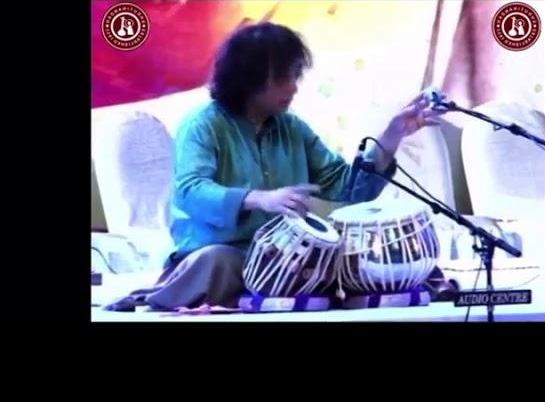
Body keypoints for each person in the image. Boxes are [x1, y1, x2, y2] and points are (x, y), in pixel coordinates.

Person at [105, 22, 441, 312]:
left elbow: (348, 188)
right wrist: (261, 199)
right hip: (223, 256)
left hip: (283, 259)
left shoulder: (292, 127)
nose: (294, 87)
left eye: (296, 75)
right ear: (248, 79)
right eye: (283, 76)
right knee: (218, 261)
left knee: (367, 257)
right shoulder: (203, 125)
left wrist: (393, 136)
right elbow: (191, 191)